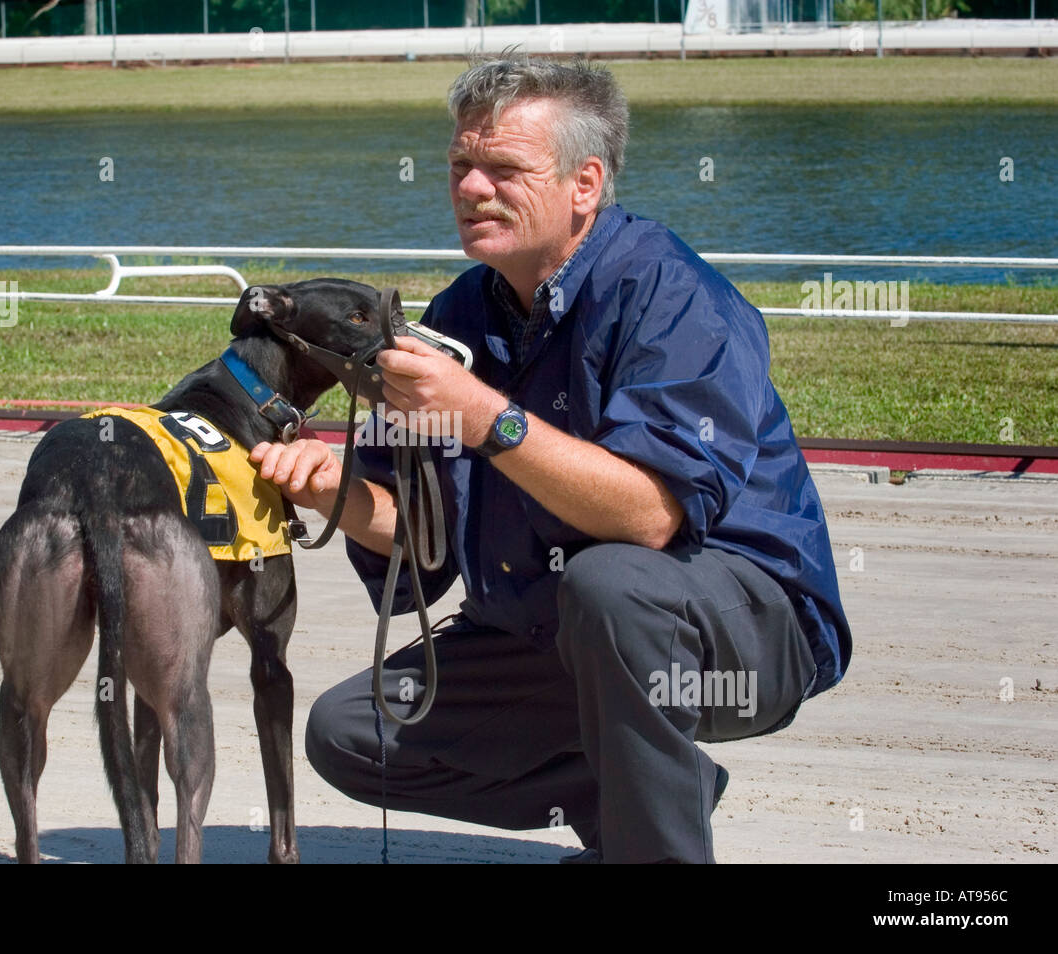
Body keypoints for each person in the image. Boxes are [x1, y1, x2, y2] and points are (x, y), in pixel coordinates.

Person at [248, 54, 851, 864]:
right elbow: (421, 539)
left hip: (748, 630)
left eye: (502, 168)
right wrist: (332, 489)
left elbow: (650, 515)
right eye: (460, 164)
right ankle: (644, 792)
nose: (470, 187)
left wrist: (482, 415)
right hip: (562, 628)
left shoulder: (672, 296)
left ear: (585, 183)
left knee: (614, 587)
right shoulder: (458, 312)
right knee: (353, 731)